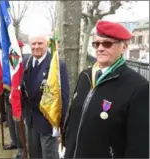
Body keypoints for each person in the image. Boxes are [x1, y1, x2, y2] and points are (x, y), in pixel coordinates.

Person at [64, 20, 149, 158]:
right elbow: (74, 119)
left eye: (107, 44)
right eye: (96, 44)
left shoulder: (138, 87)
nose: (100, 48)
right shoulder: (85, 76)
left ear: (124, 47)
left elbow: (139, 146)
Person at [21, 31, 69, 159]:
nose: (36, 46)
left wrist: (59, 123)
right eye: (33, 43)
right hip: (30, 119)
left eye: (40, 43)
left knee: (49, 155)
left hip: (47, 121)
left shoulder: (57, 65)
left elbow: (63, 96)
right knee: (34, 154)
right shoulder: (26, 61)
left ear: (47, 44)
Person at [2, 40, 26, 154]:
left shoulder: (24, 61)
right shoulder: (9, 62)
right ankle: (14, 141)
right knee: (11, 121)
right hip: (8, 94)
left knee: (18, 123)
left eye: (19, 49)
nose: (16, 52)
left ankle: (22, 148)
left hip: (18, 96)